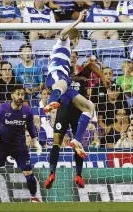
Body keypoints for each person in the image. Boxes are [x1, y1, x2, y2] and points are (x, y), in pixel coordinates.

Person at [44, 50, 110, 189]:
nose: (72, 59)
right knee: (57, 142)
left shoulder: (81, 74)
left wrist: (103, 77)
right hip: (64, 111)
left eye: (74, 57)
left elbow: (91, 65)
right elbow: (50, 87)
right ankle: (51, 173)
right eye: (70, 57)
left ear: (77, 59)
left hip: (78, 114)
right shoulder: (62, 75)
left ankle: (79, 175)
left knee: (77, 143)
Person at [44, 10, 103, 158]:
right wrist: (78, 21)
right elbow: (63, 32)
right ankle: (50, 103)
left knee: (89, 107)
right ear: (76, 39)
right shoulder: (63, 42)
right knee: (62, 83)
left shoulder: (66, 51)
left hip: (65, 84)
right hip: (56, 77)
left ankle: (77, 140)